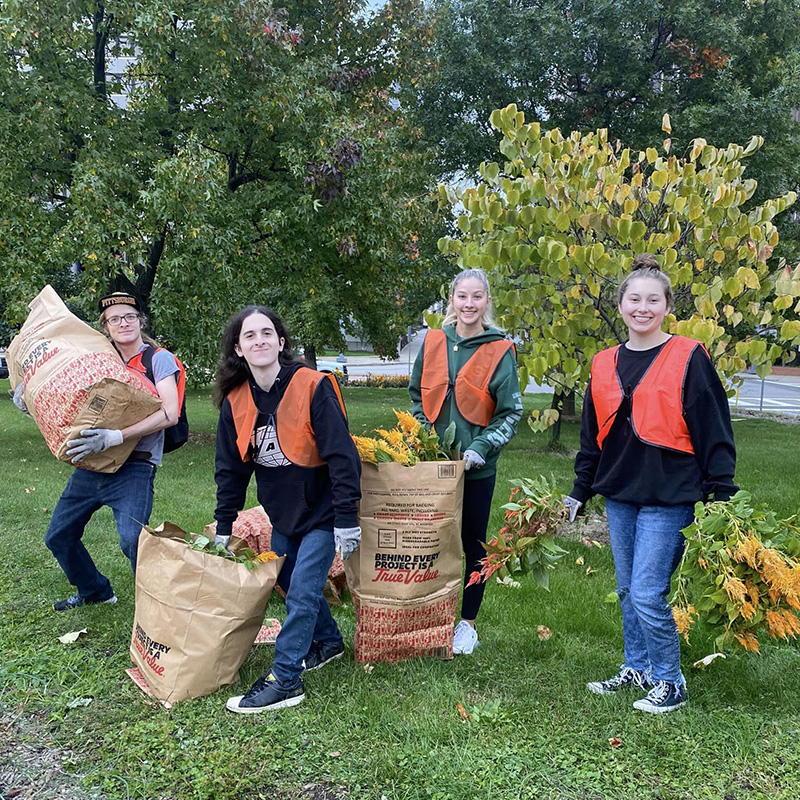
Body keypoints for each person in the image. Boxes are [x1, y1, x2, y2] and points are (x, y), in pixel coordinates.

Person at [564, 253, 737, 714]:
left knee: (646, 592)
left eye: (653, 299)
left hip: (671, 492)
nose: (643, 307)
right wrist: (580, 490)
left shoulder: (687, 356)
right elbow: (591, 435)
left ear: (666, 306)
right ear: (620, 305)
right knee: (626, 590)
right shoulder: (603, 363)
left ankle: (670, 680)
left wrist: (722, 489)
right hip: (621, 492)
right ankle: (637, 667)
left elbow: (713, 424)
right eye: (634, 298)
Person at [213, 306, 361, 714]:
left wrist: (347, 518)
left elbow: (342, 456)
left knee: (301, 593)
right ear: (239, 349)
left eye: (267, 333)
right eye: (249, 336)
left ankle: (285, 679)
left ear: (280, 343)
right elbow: (230, 470)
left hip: (324, 510)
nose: (259, 340)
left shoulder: (312, 386)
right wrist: (224, 523)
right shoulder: (236, 401)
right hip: (283, 513)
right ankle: (329, 643)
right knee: (287, 580)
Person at [12, 292, 182, 611]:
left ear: (140, 321)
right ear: (105, 327)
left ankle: (160, 609)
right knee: (59, 535)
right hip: (91, 465)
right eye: (114, 319)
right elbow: (68, 401)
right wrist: (32, 401)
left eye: (129, 317)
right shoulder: (98, 357)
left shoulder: (158, 359)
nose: (123, 323)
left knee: (133, 539)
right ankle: (95, 590)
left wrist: (115, 435)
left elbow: (169, 413)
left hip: (135, 467)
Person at [409, 268, 522, 655]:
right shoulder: (434, 340)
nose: (469, 304)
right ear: (452, 300)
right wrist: (424, 436)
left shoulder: (500, 350)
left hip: (476, 468)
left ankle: (467, 623)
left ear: (487, 301)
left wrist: (481, 447)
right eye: (462, 297)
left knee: (472, 543)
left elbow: (511, 413)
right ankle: (428, 615)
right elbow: (415, 395)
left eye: (477, 297)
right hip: (431, 466)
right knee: (429, 542)